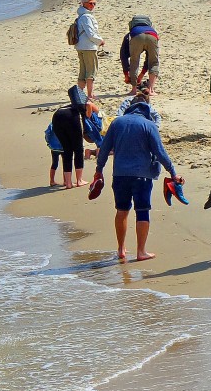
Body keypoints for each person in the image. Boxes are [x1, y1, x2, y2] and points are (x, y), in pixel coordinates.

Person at [93, 93, 182, 262]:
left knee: (122, 211)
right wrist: (172, 172)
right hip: (142, 177)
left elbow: (104, 149)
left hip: (120, 175)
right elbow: (160, 153)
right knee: (142, 212)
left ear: (131, 106)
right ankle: (141, 251)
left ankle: (121, 249)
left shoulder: (116, 123)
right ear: (146, 108)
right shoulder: (149, 125)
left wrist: (99, 170)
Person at [51, 98, 103, 188]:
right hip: (72, 118)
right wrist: (89, 115)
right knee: (78, 150)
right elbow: (90, 106)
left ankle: (68, 183)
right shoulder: (88, 104)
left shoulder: (72, 105)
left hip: (57, 115)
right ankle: (79, 180)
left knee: (67, 150)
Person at [73, 0, 105, 99]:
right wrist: (100, 41)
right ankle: (90, 95)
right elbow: (90, 33)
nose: (93, 5)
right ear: (83, 4)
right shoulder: (86, 17)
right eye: (91, 3)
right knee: (91, 71)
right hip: (88, 47)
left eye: (94, 3)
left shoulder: (81, 15)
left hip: (80, 46)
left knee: (83, 70)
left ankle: (80, 94)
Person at [119, 15, 159, 95]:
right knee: (154, 62)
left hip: (136, 36)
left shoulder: (130, 34)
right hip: (153, 36)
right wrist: (142, 74)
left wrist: (126, 74)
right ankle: (151, 90)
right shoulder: (151, 30)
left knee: (134, 61)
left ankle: (133, 90)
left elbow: (124, 56)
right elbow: (149, 59)